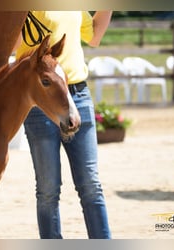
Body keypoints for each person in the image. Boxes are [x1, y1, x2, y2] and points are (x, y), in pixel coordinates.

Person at [15, 11, 112, 239]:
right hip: (41, 104)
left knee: (91, 185)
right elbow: (13, 45)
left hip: (78, 95)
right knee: (48, 190)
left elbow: (95, 37)